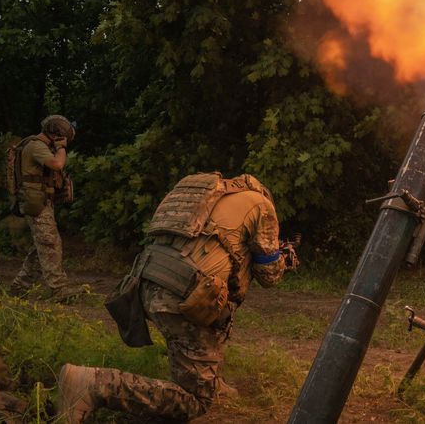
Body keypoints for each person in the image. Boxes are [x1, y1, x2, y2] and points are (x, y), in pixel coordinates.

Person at [58, 172, 298, 423]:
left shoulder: (208, 195)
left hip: (147, 282)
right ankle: (94, 385)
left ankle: (209, 380)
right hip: (183, 296)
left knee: (215, 305)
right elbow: (269, 276)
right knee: (195, 401)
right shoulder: (262, 206)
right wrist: (283, 258)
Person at [11, 114, 78, 299]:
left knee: (42, 246)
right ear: (56, 133)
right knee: (50, 244)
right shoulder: (36, 146)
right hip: (36, 203)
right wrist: (61, 147)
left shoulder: (38, 145)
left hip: (40, 202)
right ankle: (59, 289)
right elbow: (57, 164)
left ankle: (19, 286)